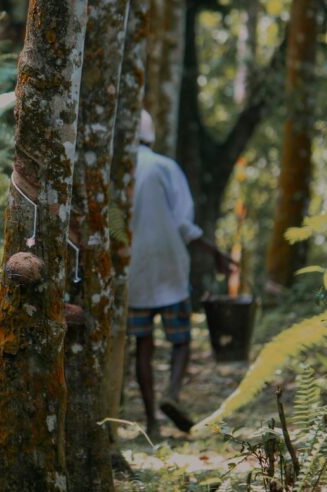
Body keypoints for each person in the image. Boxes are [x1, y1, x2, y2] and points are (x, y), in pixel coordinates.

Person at [128, 110, 233, 437]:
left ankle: (150, 422)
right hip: (170, 266)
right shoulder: (165, 167)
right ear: (151, 134)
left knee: (143, 344)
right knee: (181, 340)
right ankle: (171, 393)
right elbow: (185, 226)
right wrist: (216, 253)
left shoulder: (119, 170)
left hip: (133, 270)